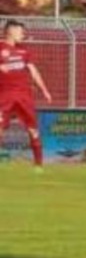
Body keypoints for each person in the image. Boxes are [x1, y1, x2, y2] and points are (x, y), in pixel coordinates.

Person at [0, 20, 53, 170]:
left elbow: (34, 72)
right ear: (11, 31)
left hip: (24, 97)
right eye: (21, 32)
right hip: (4, 97)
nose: (23, 35)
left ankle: (38, 165)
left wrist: (44, 90)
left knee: (33, 129)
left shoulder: (24, 52)